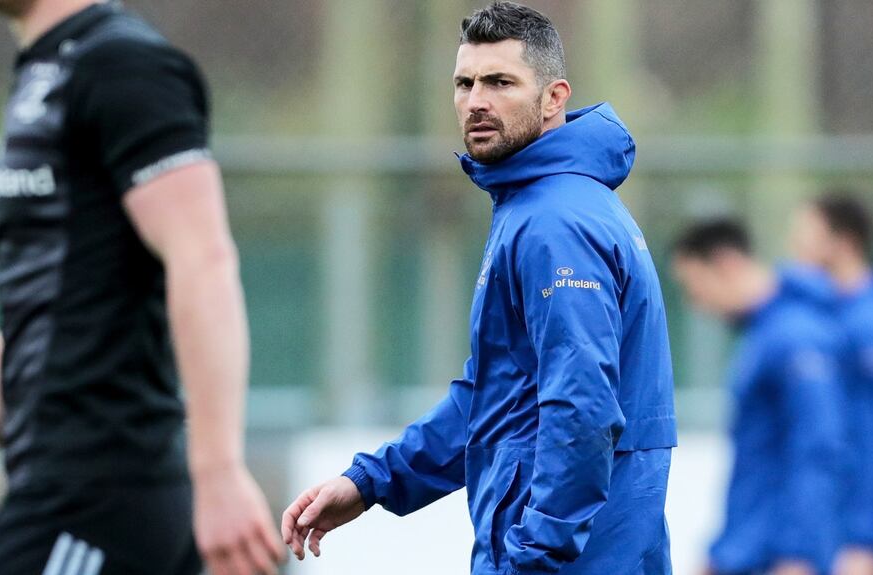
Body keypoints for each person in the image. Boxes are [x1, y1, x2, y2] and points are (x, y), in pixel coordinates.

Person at [282, 2, 678, 574]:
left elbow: (582, 409)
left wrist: (536, 557)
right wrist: (371, 481)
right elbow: (494, 398)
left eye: (500, 82)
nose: (476, 101)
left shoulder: (555, 223)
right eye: (464, 83)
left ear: (554, 98)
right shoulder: (537, 207)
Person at [0, 1, 285, 574]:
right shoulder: (48, 70)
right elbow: (34, 319)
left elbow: (202, 258)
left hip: (101, 502)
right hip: (59, 499)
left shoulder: (124, 65)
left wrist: (219, 472)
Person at [671, 219, 844, 575]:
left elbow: (819, 448)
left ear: (725, 263)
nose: (698, 304)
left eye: (695, 287)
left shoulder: (794, 335)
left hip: (777, 555)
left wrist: (800, 555)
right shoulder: (767, 333)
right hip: (748, 549)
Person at [790, 192, 873, 575]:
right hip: (824, 533)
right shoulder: (832, 314)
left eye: (807, 237)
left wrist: (867, 542)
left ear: (843, 242)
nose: (796, 248)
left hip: (851, 541)